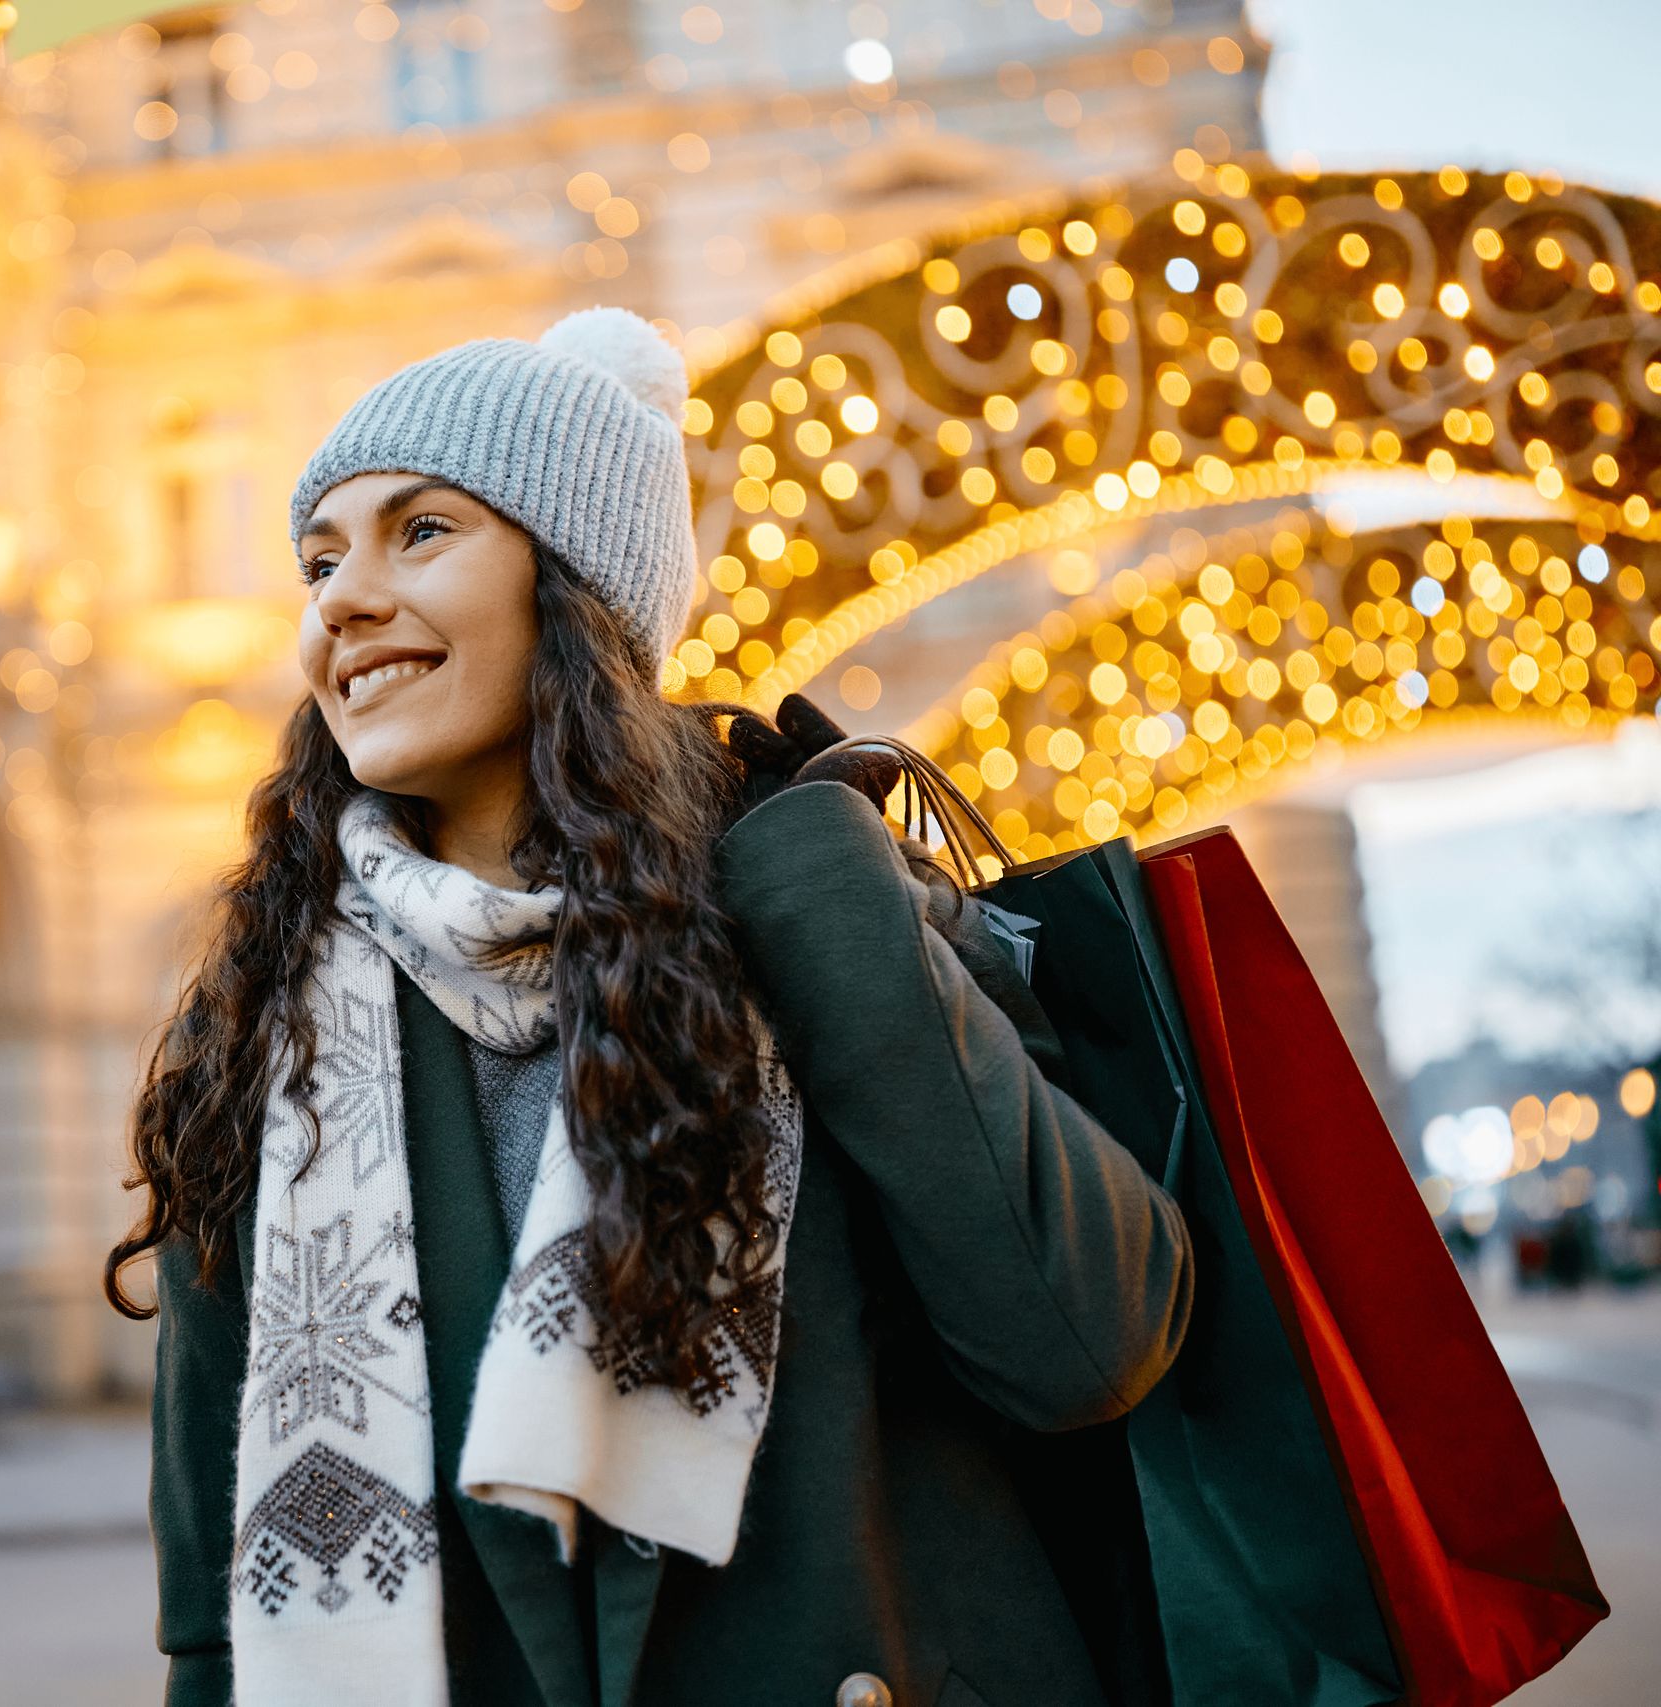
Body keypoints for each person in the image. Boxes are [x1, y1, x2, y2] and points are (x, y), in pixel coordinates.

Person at [107, 308, 1194, 1707]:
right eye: (322, 558)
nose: (341, 598)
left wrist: (830, 893)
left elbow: (1084, 1343)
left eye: (420, 531)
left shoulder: (810, 901)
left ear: (576, 583)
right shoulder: (266, 1030)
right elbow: (216, 1617)